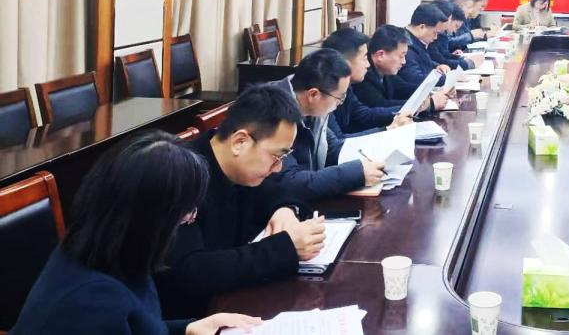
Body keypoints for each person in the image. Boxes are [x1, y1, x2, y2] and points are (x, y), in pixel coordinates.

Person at [13, 131, 261, 335]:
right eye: (185, 213)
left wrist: (187, 328)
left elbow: (136, 325)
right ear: (152, 219)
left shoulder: (107, 247)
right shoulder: (92, 301)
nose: (190, 220)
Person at [156, 85, 326, 318]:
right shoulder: (180, 177)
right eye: (277, 156)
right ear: (240, 141)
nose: (278, 168)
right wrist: (284, 249)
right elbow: (191, 272)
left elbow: (277, 191)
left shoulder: (238, 166)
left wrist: (285, 210)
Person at [269, 49, 387, 201]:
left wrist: (381, 149)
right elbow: (289, 182)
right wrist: (357, 173)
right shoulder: (273, 112)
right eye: (340, 97)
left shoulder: (311, 107)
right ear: (313, 95)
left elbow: (333, 148)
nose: (340, 103)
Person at [323, 28, 413, 135]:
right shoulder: (323, 92)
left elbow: (364, 114)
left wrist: (407, 109)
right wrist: (388, 129)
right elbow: (338, 141)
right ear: (344, 64)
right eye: (364, 58)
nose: (368, 64)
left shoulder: (346, 86)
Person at [355, 24, 449, 111]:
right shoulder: (363, 74)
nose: (404, 62)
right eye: (401, 56)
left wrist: (432, 91)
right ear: (380, 55)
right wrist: (427, 104)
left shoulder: (385, 70)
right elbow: (380, 105)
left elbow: (403, 88)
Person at [397, 2, 452, 87]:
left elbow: (421, 60)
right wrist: (447, 78)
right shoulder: (405, 45)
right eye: (435, 33)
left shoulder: (415, 40)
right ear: (422, 27)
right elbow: (415, 78)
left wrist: (437, 66)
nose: (436, 37)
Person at [428, 0, 483, 70]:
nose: (470, 11)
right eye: (469, 7)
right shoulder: (435, 35)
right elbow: (440, 61)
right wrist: (467, 63)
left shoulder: (440, 34)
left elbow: (443, 56)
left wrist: (461, 58)